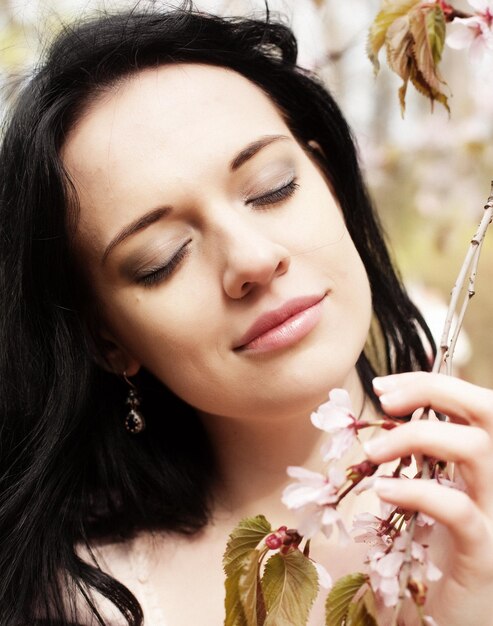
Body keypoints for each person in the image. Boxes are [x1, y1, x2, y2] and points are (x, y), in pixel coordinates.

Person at [1, 4, 492, 625]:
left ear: (330, 181)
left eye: (272, 188)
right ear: (107, 340)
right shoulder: (79, 601)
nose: (253, 260)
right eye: (162, 259)